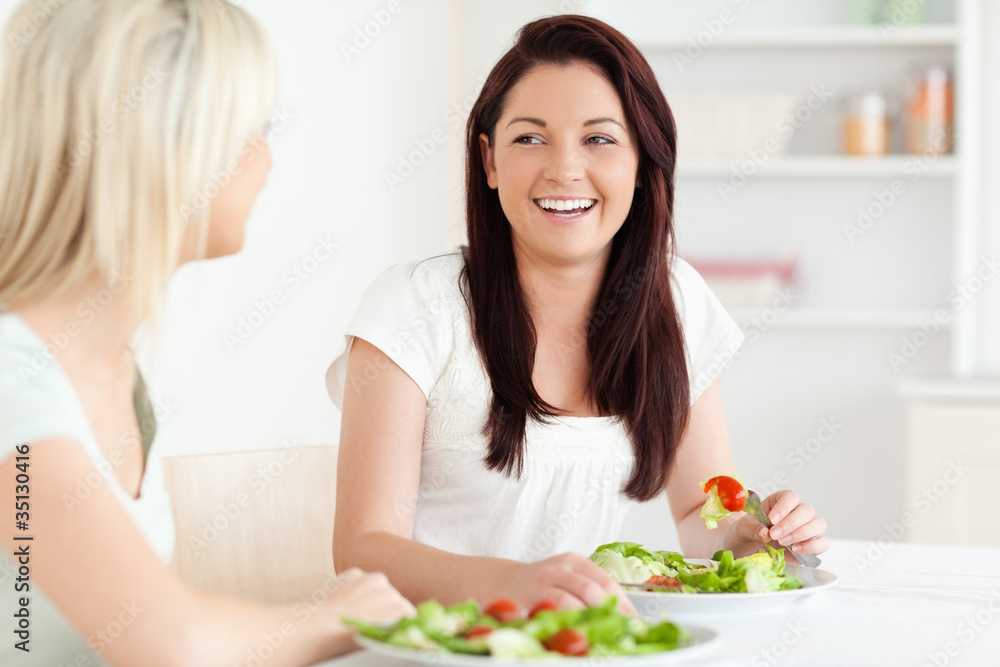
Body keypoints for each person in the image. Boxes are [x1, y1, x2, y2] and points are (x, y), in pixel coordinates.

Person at [328, 14, 829, 612]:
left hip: (580, 645)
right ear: (488, 161)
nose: (564, 169)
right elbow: (363, 549)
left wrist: (752, 534)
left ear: (643, 163)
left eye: (599, 139)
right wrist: (508, 584)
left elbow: (702, 512)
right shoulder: (417, 305)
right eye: (530, 138)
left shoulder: (675, 301)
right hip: (430, 645)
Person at [0, 1, 413, 665]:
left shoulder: (119, 375)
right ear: (160, 147)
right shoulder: (12, 380)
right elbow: (171, 642)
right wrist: (334, 614)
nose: (265, 157)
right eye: (250, 127)